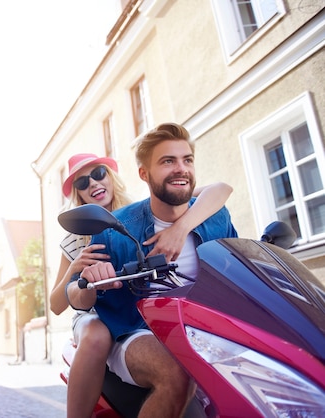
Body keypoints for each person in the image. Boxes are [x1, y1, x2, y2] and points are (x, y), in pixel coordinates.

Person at [66, 123, 238, 418]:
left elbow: (239, 267)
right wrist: (89, 283)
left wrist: (181, 228)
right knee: (177, 374)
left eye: (187, 160)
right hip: (137, 331)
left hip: (205, 328)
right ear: (144, 174)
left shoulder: (214, 216)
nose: (180, 169)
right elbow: (74, 294)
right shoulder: (114, 228)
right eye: (168, 161)